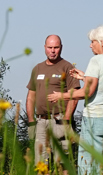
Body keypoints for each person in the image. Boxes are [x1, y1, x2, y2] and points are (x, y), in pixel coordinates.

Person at [49, 25, 103, 175]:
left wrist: (62, 95)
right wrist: (85, 77)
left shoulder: (96, 60)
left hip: (97, 118)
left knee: (90, 161)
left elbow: (87, 92)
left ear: (102, 42)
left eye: (93, 42)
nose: (90, 45)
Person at [24, 34, 79, 167]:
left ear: (61, 48)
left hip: (59, 119)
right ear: (44, 48)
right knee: (41, 163)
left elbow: (75, 95)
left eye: (56, 47)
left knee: (63, 163)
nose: (53, 51)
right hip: (41, 121)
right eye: (50, 47)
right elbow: (31, 96)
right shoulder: (38, 68)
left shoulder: (67, 67)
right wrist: (31, 121)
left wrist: (66, 119)